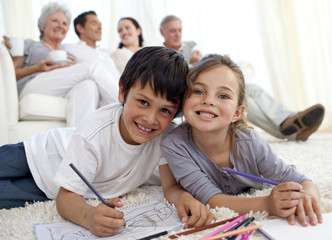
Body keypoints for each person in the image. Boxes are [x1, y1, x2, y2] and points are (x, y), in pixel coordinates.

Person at [0, 47, 215, 237]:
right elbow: (67, 197)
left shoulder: (166, 136)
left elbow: (170, 187)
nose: (150, 119)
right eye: (142, 102)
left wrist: (184, 198)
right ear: (122, 91)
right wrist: (88, 216)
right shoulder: (95, 131)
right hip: (38, 153)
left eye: (165, 110)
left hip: (44, 187)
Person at [160, 54, 323, 228]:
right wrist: (268, 204)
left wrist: (309, 197)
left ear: (237, 113)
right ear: (183, 100)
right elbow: (212, 199)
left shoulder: (249, 141)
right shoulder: (175, 144)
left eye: (223, 96)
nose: (208, 100)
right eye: (198, 91)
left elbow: (302, 180)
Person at [160, 14, 325, 141]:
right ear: (162, 32)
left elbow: (207, 63)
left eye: (179, 30)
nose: (177, 34)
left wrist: (199, 62)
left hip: (209, 84)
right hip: (191, 92)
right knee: (239, 98)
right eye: (172, 30)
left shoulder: (190, 45)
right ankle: (288, 129)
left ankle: (288, 118)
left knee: (249, 89)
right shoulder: (161, 54)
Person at [3, 3, 120, 127]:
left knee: (88, 86)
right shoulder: (30, 45)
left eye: (64, 23)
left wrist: (71, 67)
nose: (60, 26)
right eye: (55, 21)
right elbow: (10, 75)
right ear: (42, 25)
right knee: (92, 67)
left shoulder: (69, 53)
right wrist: (37, 68)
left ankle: (78, 141)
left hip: (60, 88)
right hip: (32, 84)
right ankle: (123, 108)